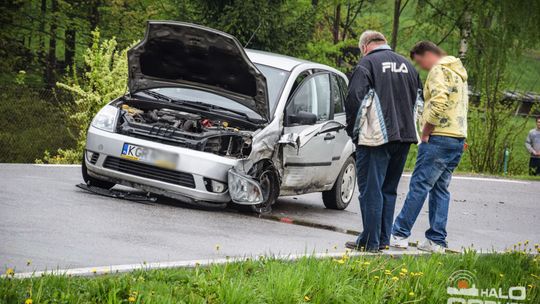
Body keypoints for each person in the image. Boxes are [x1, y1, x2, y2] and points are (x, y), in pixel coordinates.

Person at [344, 31, 423, 252]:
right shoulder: (408, 66)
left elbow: (354, 100)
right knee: (388, 189)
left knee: (370, 190)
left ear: (365, 46)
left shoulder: (367, 64)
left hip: (375, 139)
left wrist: (354, 132)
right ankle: (382, 239)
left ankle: (370, 243)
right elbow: (420, 102)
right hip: (405, 137)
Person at [391, 41, 468, 253]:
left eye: (420, 61)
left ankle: (399, 233)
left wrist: (426, 130)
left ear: (427, 54)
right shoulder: (459, 73)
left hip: (438, 138)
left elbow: (440, 101)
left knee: (419, 185)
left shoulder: (438, 71)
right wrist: (460, 133)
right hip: (456, 138)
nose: (422, 67)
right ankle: (436, 240)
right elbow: (459, 107)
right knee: (440, 189)